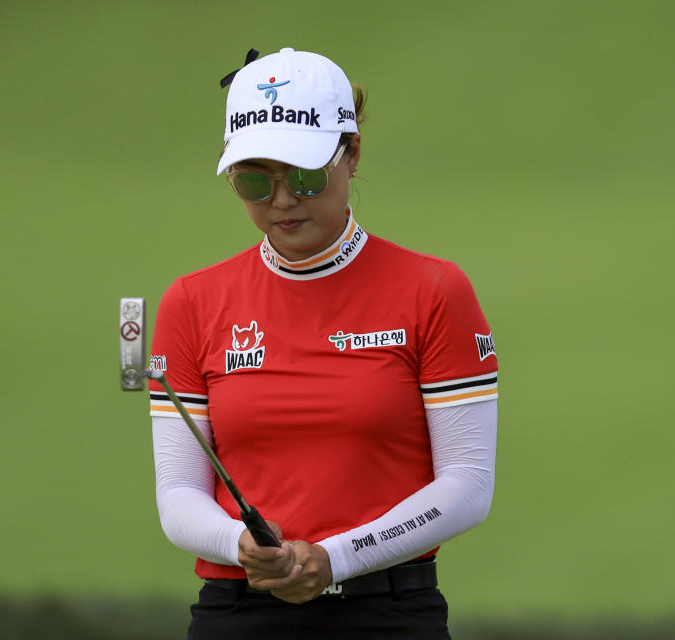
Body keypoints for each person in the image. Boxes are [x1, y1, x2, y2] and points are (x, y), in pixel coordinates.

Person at [148, 47, 498, 640]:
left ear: (352, 151)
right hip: (238, 611)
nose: (281, 200)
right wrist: (243, 544)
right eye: (254, 180)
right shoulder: (191, 301)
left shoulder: (434, 290)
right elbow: (179, 492)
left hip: (387, 613)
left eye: (305, 176)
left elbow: (467, 485)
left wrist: (336, 557)